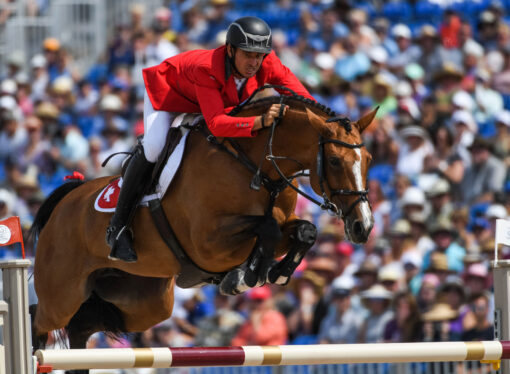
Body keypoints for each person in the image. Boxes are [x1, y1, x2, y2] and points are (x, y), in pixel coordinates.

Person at [106, 16, 314, 262]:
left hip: (209, 102)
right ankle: (117, 227)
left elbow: (303, 100)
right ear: (230, 50)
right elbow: (216, 124)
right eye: (248, 54)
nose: (254, 62)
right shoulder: (207, 68)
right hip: (169, 96)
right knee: (154, 146)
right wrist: (258, 122)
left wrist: (322, 123)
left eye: (259, 56)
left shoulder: (266, 62)